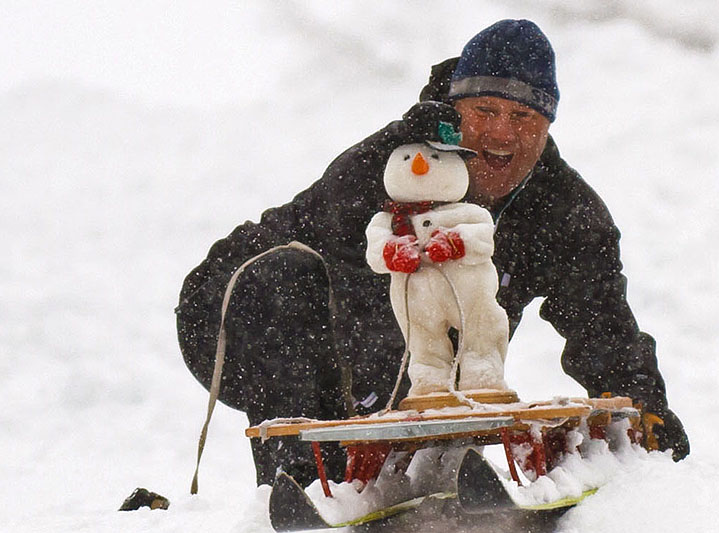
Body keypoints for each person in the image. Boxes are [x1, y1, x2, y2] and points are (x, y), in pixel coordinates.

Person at [175, 19, 690, 487]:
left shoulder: (565, 213)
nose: (502, 133)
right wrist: (386, 418)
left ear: (548, 125)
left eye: (523, 116)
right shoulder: (394, 165)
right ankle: (302, 481)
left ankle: (363, 462)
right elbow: (358, 287)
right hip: (233, 310)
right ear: (455, 108)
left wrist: (652, 418)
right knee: (287, 280)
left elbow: (603, 326)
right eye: (485, 111)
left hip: (390, 354)